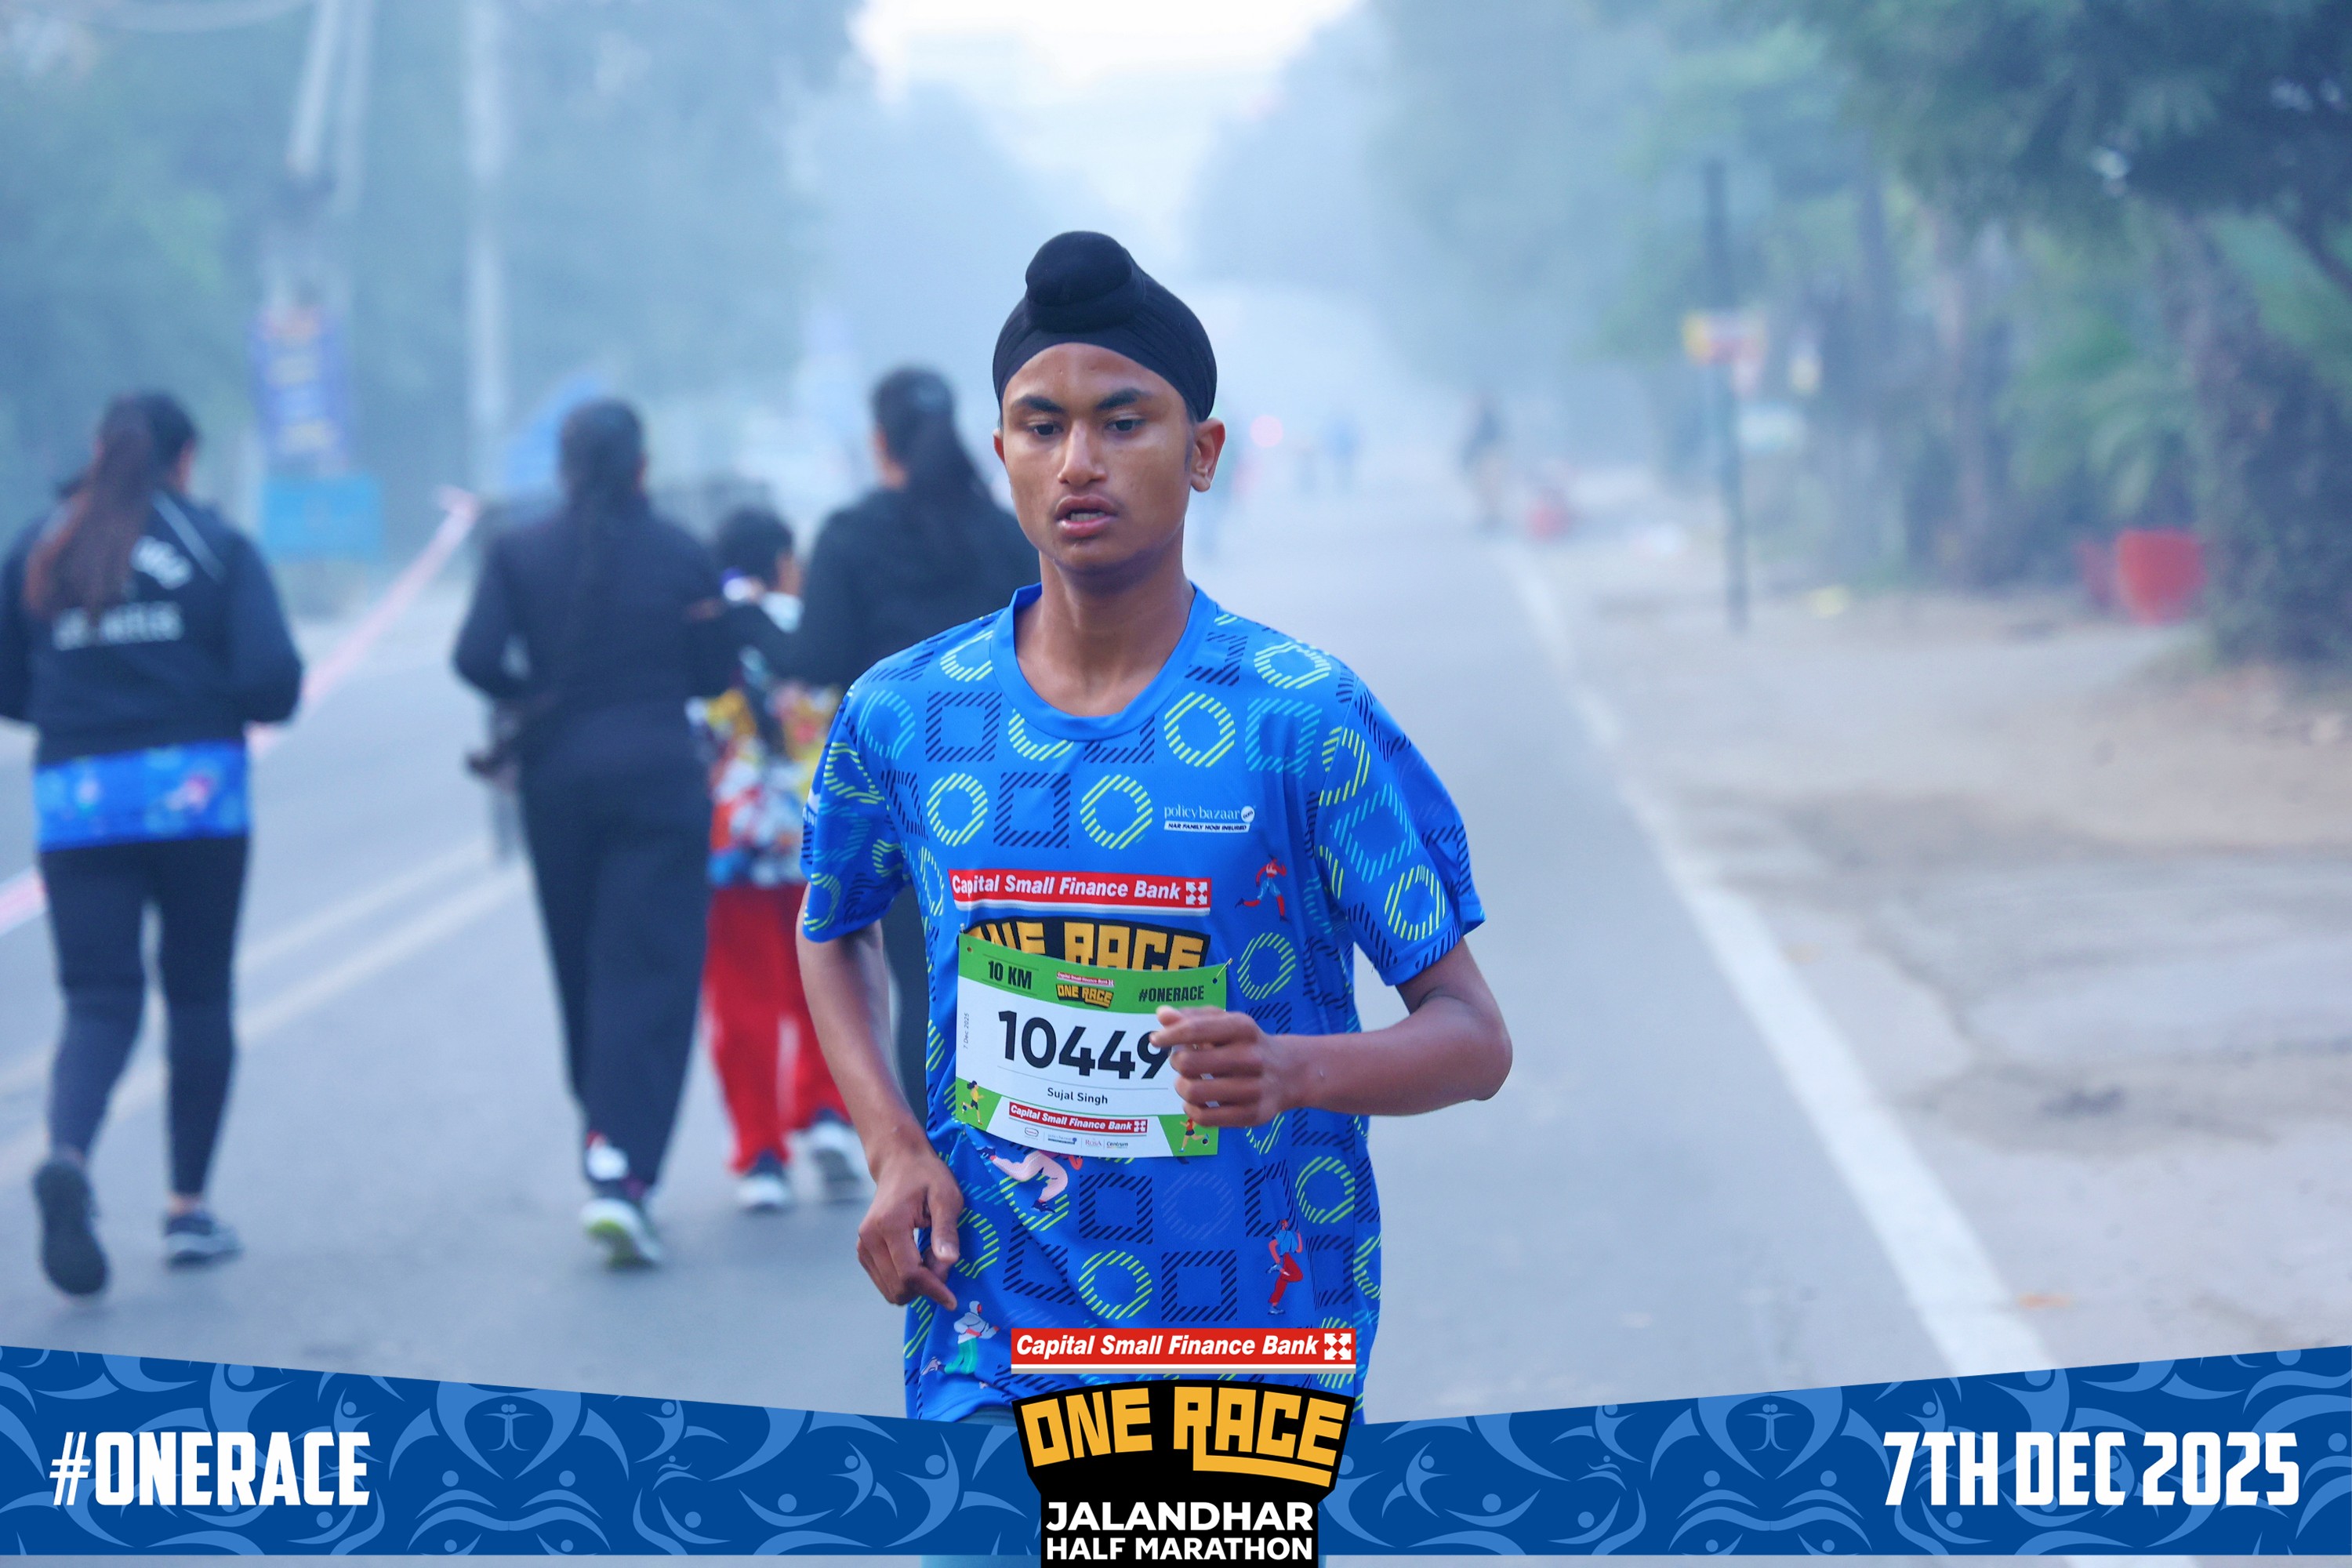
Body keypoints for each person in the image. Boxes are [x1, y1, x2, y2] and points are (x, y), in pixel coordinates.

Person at [796, 231, 1514, 1425]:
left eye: (1124, 422)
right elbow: (832, 923)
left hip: (1246, 1345)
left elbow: (1473, 1038)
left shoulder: (1303, 720)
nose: (1079, 461)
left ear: (1203, 452)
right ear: (1003, 456)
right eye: (1042, 427)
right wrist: (892, 1145)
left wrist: (1294, 1068)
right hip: (993, 1338)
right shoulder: (907, 715)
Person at [0, 392, 303, 1295]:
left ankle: (68, 1154)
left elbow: (8, 682)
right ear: (186, 458)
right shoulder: (214, 544)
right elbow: (273, 681)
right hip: (195, 795)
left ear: (98, 451)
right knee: (198, 991)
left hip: (79, 796)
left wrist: (78, 709)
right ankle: (186, 1208)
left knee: (97, 998)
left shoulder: (42, 544)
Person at [452, 398, 736, 1267]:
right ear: (643, 466)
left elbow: (473, 656)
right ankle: (624, 1167)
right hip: (660, 780)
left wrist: (531, 696)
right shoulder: (683, 552)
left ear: (564, 468)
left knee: (581, 968)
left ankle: (602, 1136)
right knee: (650, 974)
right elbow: (715, 673)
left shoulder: (518, 552)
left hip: (558, 784)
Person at [787, 368, 1037, 1113]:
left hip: (901, 793)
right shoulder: (1006, 532)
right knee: (1018, 977)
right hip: (1015, 789)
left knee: (922, 981)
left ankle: (933, 1155)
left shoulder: (850, 536)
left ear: (878, 442)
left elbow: (817, 658)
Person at [699, 504, 864, 1211]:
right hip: (817, 836)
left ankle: (760, 1154)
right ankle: (827, 1113)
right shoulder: (810, 622)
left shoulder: (702, 630)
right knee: (826, 984)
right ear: (784, 562)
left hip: (733, 843)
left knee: (743, 1001)